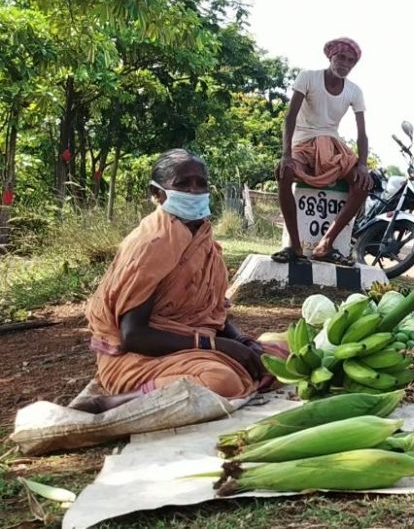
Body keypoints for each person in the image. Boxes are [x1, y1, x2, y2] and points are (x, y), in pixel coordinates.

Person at [70, 149, 280, 414]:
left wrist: (243, 341)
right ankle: (113, 403)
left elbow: (209, 313)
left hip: (189, 348)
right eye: (183, 184)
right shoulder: (151, 244)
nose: (194, 191)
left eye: (201, 183)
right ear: (157, 193)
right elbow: (134, 336)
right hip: (139, 358)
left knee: (276, 357)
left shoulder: (203, 240)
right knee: (220, 380)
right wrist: (215, 345)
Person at [272, 36, 373, 265]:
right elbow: (290, 117)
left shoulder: (354, 91)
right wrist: (286, 155)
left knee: (363, 184)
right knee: (284, 173)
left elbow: (362, 134)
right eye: (341, 57)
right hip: (303, 143)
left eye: (350, 60)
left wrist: (363, 165)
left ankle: (326, 244)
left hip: (332, 145)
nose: (344, 64)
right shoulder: (308, 77)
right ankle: (295, 246)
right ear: (331, 57)